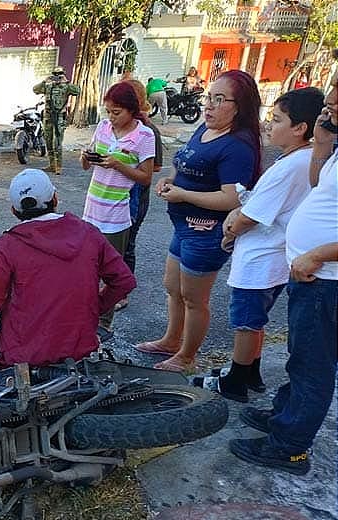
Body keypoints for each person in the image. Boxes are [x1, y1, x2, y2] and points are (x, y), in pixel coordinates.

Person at [0, 169, 135, 378]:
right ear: (55, 198)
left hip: (23, 355)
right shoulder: (88, 233)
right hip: (80, 347)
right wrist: (94, 309)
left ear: (14, 211)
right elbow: (123, 281)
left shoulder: (9, 245)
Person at [229, 76, 337, 476]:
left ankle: (290, 447)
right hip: (313, 272)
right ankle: (284, 415)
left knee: (314, 366)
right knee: (303, 355)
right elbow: (318, 185)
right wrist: (325, 142)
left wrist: (319, 254)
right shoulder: (330, 145)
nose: (332, 98)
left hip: (326, 274)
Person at [194, 88, 323, 401]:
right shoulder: (302, 159)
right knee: (256, 319)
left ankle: (235, 381)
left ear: (299, 128)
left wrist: (230, 229)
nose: (269, 124)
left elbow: (253, 214)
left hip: (261, 256)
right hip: (274, 253)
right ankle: (249, 371)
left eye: (277, 120)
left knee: (246, 322)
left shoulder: (293, 165)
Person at [135, 70, 262, 372]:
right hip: (184, 225)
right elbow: (184, 163)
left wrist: (183, 195)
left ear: (239, 106)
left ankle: (187, 357)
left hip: (207, 231)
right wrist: (170, 180)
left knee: (194, 298)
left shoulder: (237, 145)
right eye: (209, 97)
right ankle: (170, 340)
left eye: (220, 100)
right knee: (172, 286)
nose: (210, 106)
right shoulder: (204, 130)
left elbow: (232, 198)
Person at [80, 81, 155, 337]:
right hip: (92, 207)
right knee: (85, 267)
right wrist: (86, 157)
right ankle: (84, 315)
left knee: (110, 271)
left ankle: (104, 323)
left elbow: (146, 177)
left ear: (132, 110)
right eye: (108, 111)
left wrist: (118, 165)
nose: (111, 118)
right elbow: (86, 167)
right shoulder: (102, 128)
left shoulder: (144, 136)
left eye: (116, 112)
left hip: (117, 212)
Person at [118, 79, 164, 311]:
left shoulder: (148, 132)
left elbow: (154, 168)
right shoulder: (115, 128)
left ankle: (123, 292)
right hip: (115, 196)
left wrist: (126, 164)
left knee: (128, 243)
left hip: (136, 197)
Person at [32, 66, 80, 174]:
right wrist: (45, 81)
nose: (57, 77)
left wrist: (66, 82)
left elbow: (77, 91)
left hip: (59, 117)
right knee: (48, 141)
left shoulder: (66, 86)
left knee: (57, 142)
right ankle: (52, 165)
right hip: (48, 117)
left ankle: (58, 167)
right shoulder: (48, 86)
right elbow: (35, 89)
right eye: (55, 74)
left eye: (59, 74)